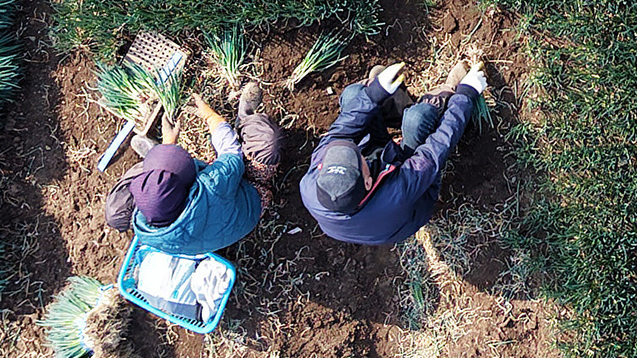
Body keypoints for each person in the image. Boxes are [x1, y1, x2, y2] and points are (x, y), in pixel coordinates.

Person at [301, 55, 486, 247]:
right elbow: (438, 147)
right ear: (367, 181)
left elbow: (339, 134)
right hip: (411, 201)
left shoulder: (310, 184)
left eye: (343, 152)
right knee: (418, 119)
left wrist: (375, 93)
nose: (351, 148)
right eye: (357, 157)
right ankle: (446, 96)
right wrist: (466, 95)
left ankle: (395, 108)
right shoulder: (397, 193)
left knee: (353, 95)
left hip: (378, 185)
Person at [104, 84, 286, 252]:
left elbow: (155, 196)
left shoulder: (147, 234)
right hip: (249, 199)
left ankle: (155, 156)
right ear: (187, 188)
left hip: (210, 228)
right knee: (267, 143)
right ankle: (245, 117)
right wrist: (209, 116)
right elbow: (230, 151)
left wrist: (168, 145)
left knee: (119, 210)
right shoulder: (212, 185)